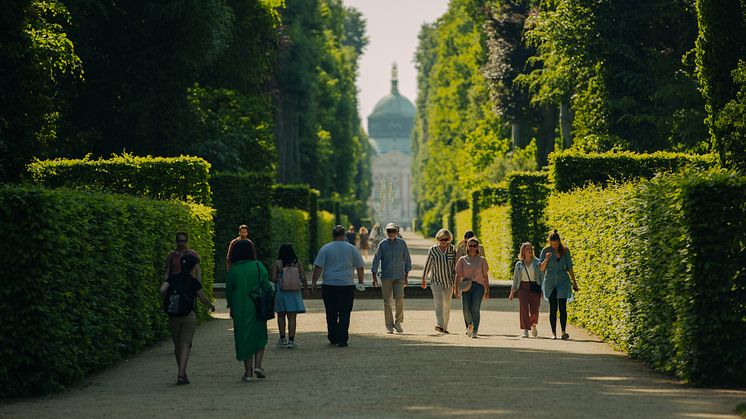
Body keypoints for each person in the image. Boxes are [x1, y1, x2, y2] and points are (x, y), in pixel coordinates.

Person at [160, 253, 215, 385]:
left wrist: (167, 299)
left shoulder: (173, 278)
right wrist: (210, 306)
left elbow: (162, 290)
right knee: (185, 344)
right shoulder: (193, 281)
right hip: (188, 315)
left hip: (174, 315)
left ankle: (182, 372)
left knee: (177, 345)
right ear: (192, 267)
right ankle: (181, 374)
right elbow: (202, 298)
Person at [226, 240, 273, 381]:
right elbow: (266, 286)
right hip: (257, 306)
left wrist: (231, 305)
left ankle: (248, 372)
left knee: (243, 337)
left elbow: (229, 290)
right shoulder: (258, 266)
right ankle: (258, 365)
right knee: (259, 336)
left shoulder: (233, 269)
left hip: (240, 308)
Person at [311, 225, 365, 347]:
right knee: (345, 312)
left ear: (333, 235)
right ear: (344, 235)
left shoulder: (326, 248)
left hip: (329, 284)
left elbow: (318, 267)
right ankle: (342, 339)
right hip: (346, 284)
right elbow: (359, 267)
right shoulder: (351, 248)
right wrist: (360, 282)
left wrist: (314, 282)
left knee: (331, 312)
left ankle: (333, 336)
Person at [371, 223, 412, 334]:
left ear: (397, 231)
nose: (391, 233)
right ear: (387, 232)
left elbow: (407, 259)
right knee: (387, 302)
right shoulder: (382, 244)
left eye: (393, 231)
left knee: (399, 300)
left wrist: (406, 276)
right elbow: (375, 260)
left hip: (399, 276)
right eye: (389, 231)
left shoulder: (402, 243)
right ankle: (389, 325)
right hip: (386, 276)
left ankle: (398, 323)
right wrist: (374, 277)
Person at [539, 230, 579, 340]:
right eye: (552, 244)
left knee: (562, 308)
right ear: (549, 243)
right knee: (553, 308)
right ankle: (553, 333)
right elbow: (541, 268)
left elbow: (569, 267)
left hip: (563, 282)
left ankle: (563, 332)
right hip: (550, 283)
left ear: (559, 242)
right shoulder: (545, 251)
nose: (555, 246)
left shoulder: (565, 251)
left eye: (556, 244)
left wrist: (574, 282)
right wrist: (546, 259)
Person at [270, 243, 309, 348]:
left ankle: (282, 339)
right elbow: (303, 277)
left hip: (281, 291)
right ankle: (291, 340)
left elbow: (273, 279)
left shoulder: (277, 264)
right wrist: (306, 288)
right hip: (294, 291)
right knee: (292, 317)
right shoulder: (298, 263)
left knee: (281, 315)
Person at [421, 228, 456, 334]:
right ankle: (439, 324)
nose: (444, 242)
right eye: (441, 239)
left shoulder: (453, 249)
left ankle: (444, 326)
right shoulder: (433, 250)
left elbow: (456, 265)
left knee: (447, 304)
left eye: (446, 239)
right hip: (436, 280)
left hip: (449, 281)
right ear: (438, 239)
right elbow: (428, 264)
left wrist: (457, 281)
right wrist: (424, 278)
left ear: (449, 239)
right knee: (438, 302)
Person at [455, 237, 490, 338]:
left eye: (474, 246)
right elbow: (458, 275)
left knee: (475, 308)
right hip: (466, 286)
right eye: (470, 245)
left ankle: (475, 330)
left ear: (477, 247)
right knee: (465, 309)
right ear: (467, 246)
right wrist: (456, 289)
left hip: (478, 286)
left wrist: (487, 290)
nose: (472, 248)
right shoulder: (462, 260)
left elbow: (485, 276)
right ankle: (469, 325)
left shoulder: (482, 260)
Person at [509, 243, 543, 338]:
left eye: (530, 248)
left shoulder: (537, 262)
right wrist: (512, 292)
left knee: (535, 309)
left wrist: (543, 290)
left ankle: (533, 324)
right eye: (527, 249)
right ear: (523, 251)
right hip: (523, 287)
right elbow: (516, 279)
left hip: (535, 287)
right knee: (523, 308)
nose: (529, 250)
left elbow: (542, 276)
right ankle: (525, 330)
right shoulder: (519, 264)